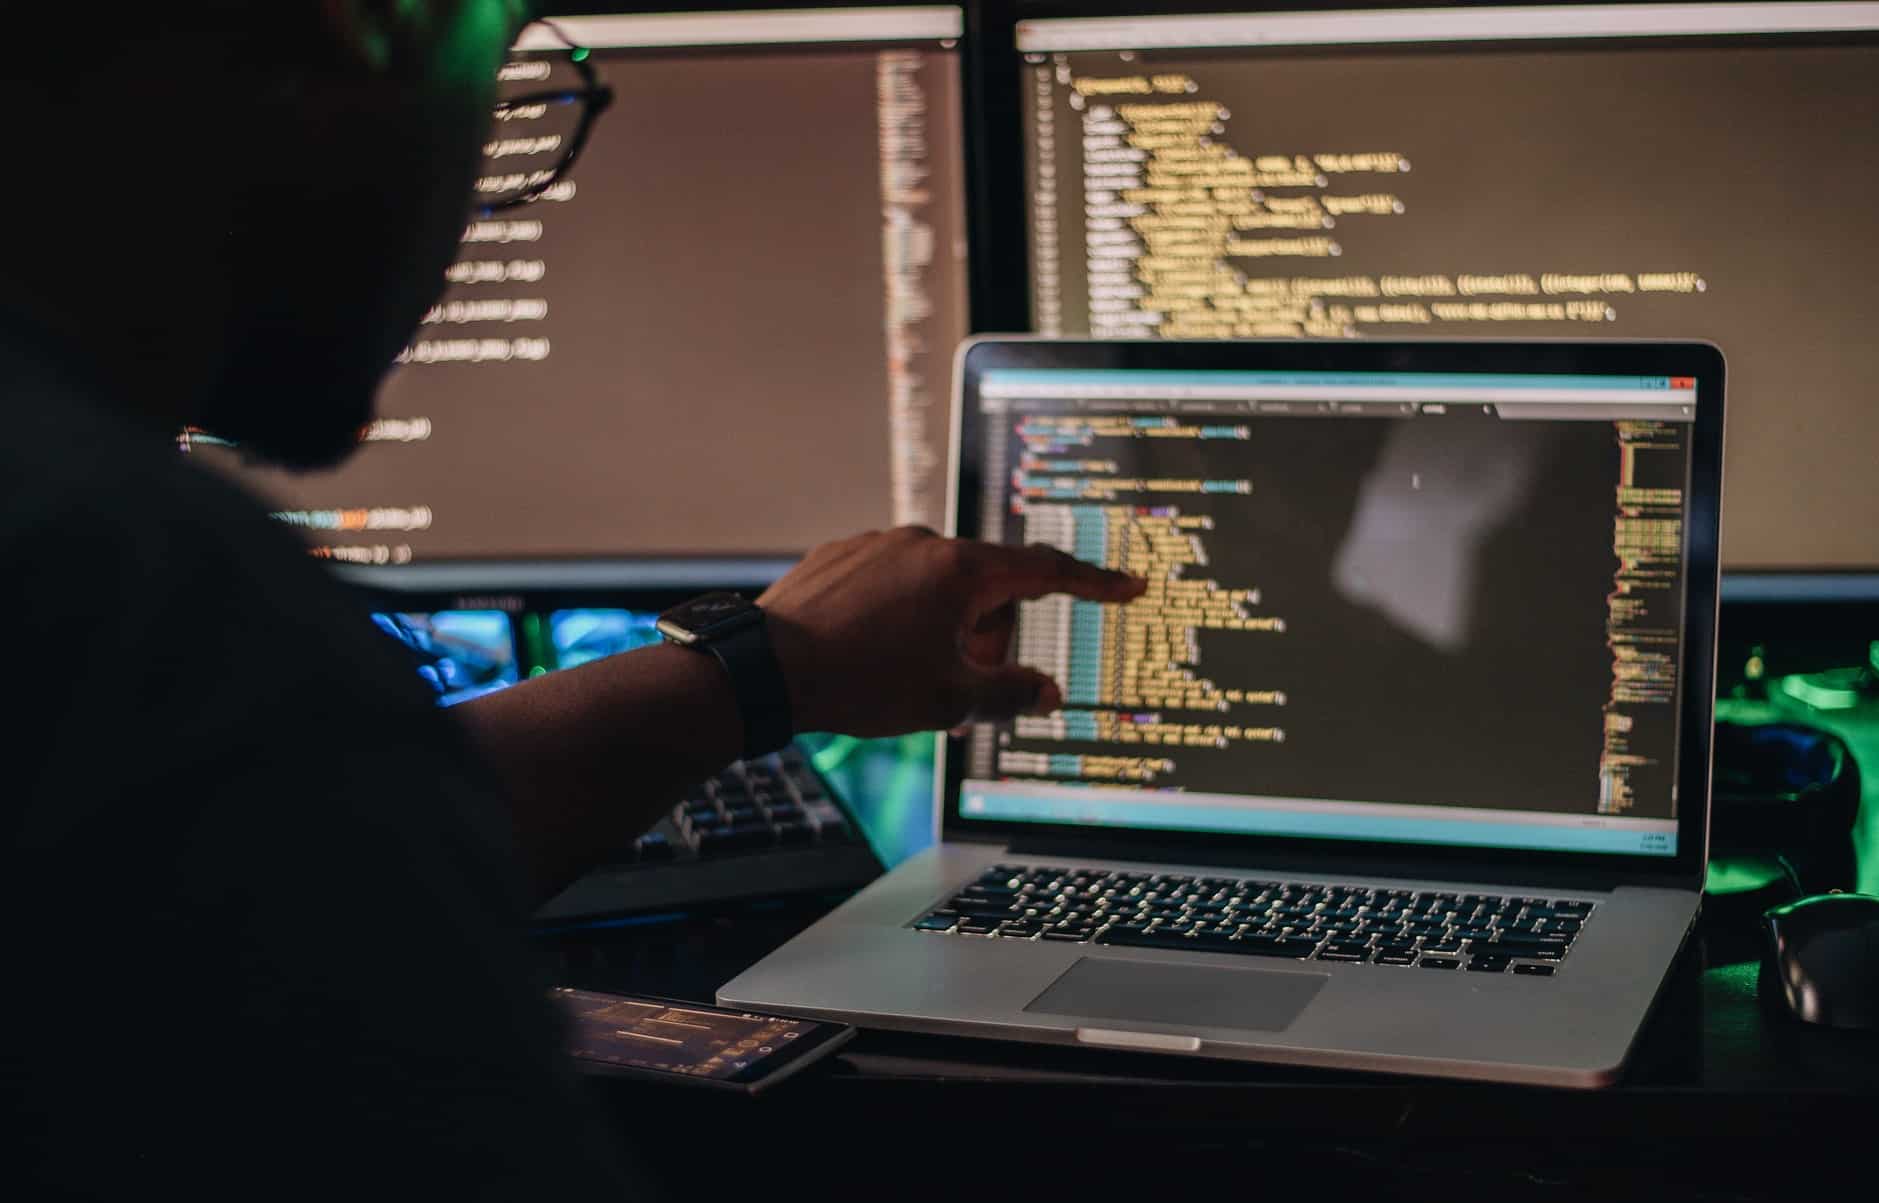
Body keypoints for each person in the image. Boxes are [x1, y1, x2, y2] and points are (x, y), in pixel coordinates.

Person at [0, 3, 1140, 1195]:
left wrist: (770, 666)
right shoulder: (165, 608)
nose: (472, 218)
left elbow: (264, 860)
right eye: (497, 110)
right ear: (341, 59)